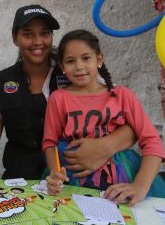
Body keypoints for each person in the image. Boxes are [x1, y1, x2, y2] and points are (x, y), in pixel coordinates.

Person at [0, 5, 136, 197]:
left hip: (73, 181)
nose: (37, 42)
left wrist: (105, 147)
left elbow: (131, 127)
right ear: (15, 38)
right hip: (21, 182)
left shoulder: (76, 72)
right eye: (28, 34)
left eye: (45, 33)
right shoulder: (2, 82)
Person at [44, 29, 165, 206]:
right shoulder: (58, 98)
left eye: (86, 58)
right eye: (70, 61)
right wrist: (55, 173)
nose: (79, 66)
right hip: (72, 180)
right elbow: (49, 143)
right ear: (62, 66)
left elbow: (152, 142)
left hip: (122, 179)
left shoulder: (123, 95)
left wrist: (140, 185)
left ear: (99, 60)